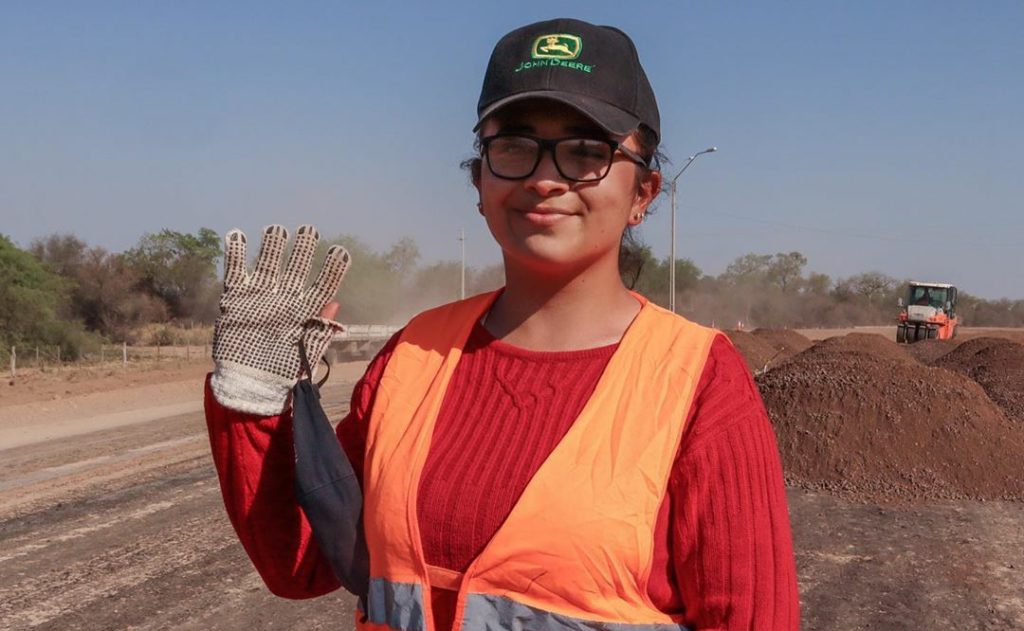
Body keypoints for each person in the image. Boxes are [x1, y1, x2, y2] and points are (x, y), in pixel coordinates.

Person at [205, 17, 800, 631]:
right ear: (480, 182)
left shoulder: (697, 381)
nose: (546, 178)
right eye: (513, 146)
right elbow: (301, 562)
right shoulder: (413, 356)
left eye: (587, 151)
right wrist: (251, 404)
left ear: (643, 193)